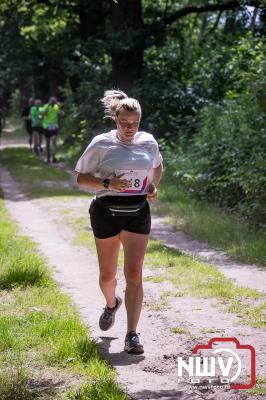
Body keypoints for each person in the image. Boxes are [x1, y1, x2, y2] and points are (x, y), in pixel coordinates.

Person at [75, 90, 163, 354]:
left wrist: (153, 186)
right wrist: (107, 182)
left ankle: (132, 334)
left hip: (137, 211)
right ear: (115, 119)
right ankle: (112, 303)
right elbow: (81, 178)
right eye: (125, 123)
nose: (129, 129)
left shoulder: (148, 142)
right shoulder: (101, 143)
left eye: (135, 123)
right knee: (107, 276)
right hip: (106, 211)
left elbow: (157, 166)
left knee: (134, 273)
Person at [41, 96, 64, 163]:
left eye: (54, 101)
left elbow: (62, 115)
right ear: (49, 101)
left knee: (53, 141)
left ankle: (53, 157)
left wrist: (60, 107)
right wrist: (48, 105)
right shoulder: (45, 106)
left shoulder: (57, 107)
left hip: (54, 127)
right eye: (52, 101)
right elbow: (42, 114)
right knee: (47, 143)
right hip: (46, 127)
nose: (53, 103)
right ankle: (48, 157)